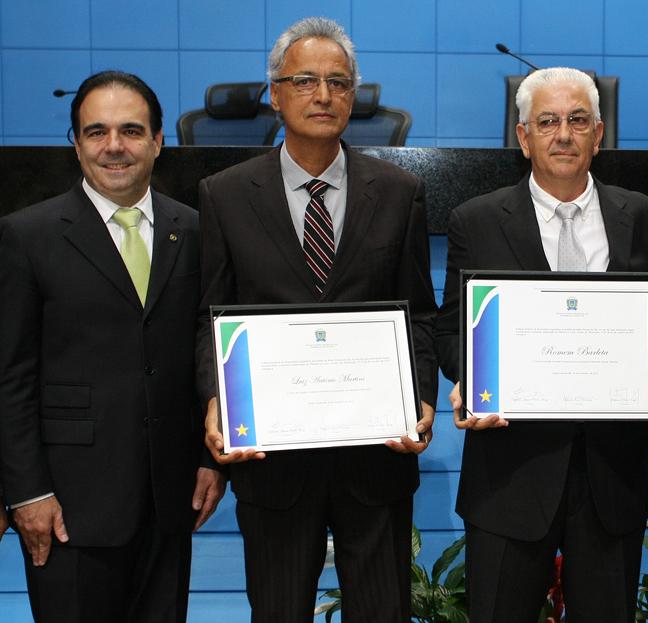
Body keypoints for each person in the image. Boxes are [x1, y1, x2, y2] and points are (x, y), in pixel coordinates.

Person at [195, 17, 437, 623]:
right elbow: (209, 318)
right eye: (304, 80)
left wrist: (424, 396)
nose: (323, 95)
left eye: (338, 82)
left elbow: (420, 315)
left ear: (354, 96)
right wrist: (216, 396)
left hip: (375, 458)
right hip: (274, 465)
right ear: (274, 94)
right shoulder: (224, 195)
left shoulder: (400, 191)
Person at [434, 66, 648, 622]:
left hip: (610, 478)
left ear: (599, 133)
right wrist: (470, 376)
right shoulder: (475, 221)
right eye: (547, 122)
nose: (563, 134)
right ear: (523, 137)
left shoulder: (641, 217)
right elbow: (452, 329)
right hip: (509, 477)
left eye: (577, 120)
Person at [0, 70, 224, 623]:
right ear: (75, 144)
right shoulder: (26, 236)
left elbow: (206, 350)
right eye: (96, 132)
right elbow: (10, 375)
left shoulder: (196, 231)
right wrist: (26, 492)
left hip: (171, 500)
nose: (114, 146)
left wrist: (208, 460)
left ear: (158, 141)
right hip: (68, 506)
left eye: (130, 129)